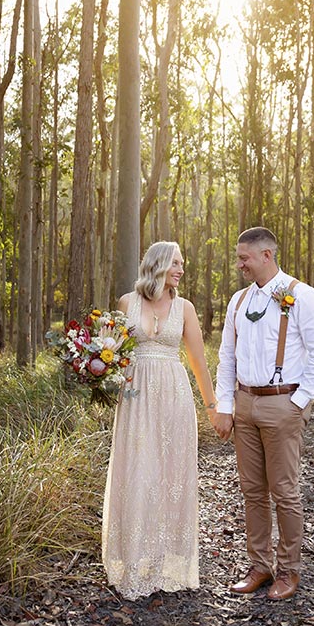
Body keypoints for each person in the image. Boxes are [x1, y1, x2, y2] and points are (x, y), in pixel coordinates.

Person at [212, 227, 314, 601]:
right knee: (252, 490)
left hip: (283, 403)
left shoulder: (302, 295)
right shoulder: (237, 301)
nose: (240, 265)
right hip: (244, 404)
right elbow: (226, 359)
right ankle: (260, 566)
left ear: (267, 256)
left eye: (244, 258)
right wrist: (226, 406)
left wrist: (299, 403)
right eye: (238, 258)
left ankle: (289, 570)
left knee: (285, 491)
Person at [102, 241, 219, 600]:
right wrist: (96, 370)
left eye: (182, 264)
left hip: (173, 396)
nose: (181, 270)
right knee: (139, 471)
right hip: (136, 399)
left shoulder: (185, 308)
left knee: (170, 474)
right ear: (157, 265)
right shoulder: (127, 303)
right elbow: (110, 351)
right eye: (175, 264)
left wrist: (212, 405)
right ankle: (134, 559)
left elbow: (197, 359)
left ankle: (170, 562)